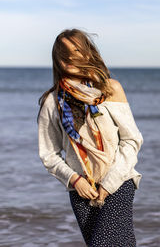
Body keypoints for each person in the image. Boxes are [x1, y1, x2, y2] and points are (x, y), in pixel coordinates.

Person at [37, 28, 144, 247]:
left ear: (87, 53)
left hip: (118, 183)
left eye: (76, 49)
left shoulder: (109, 89)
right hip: (81, 191)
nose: (70, 56)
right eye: (63, 52)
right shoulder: (52, 102)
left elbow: (132, 140)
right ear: (56, 59)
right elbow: (49, 154)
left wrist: (109, 184)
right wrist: (74, 180)